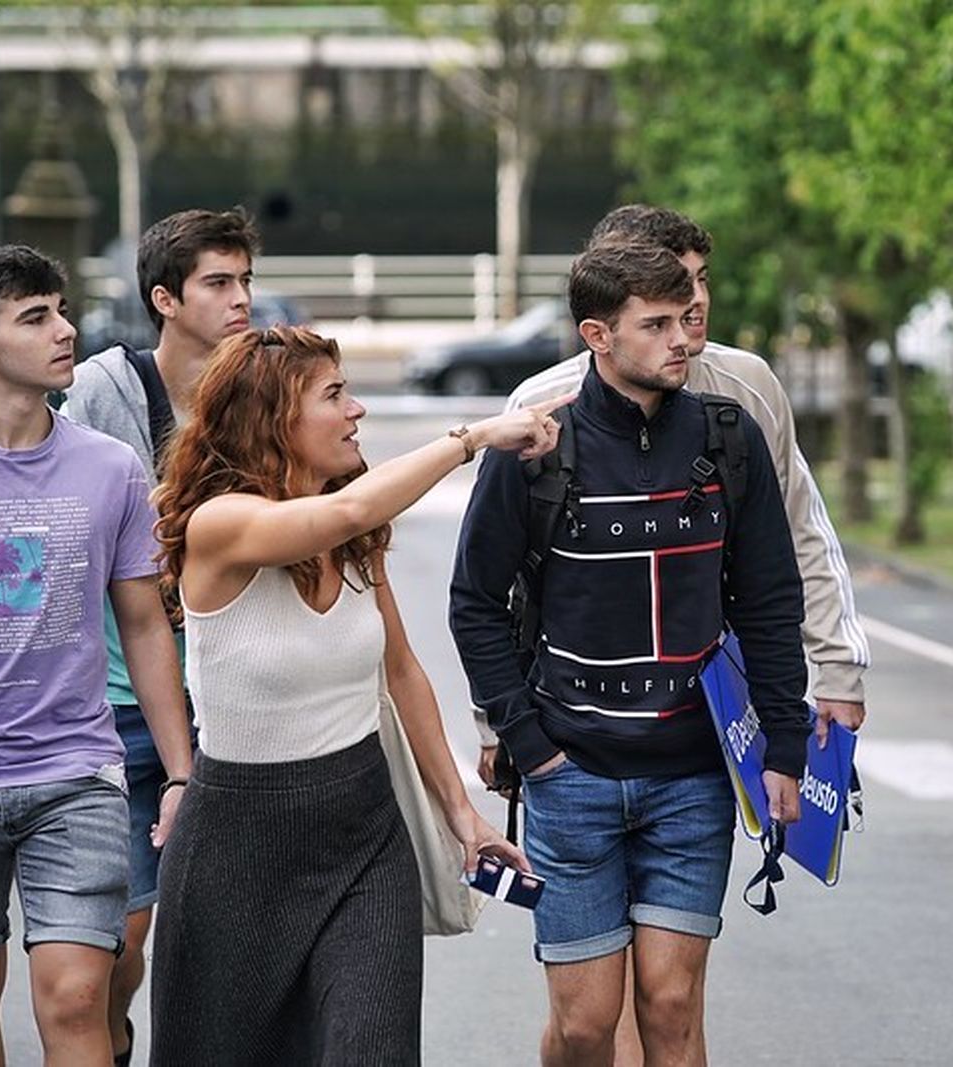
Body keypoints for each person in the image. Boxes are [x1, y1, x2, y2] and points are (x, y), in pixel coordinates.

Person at [494, 203, 871, 1067]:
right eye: (670, 293)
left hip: (697, 723)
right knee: (591, 1019)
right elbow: (503, 588)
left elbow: (797, 542)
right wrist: (506, 733)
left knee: (671, 1003)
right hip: (573, 730)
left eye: (699, 283)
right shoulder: (541, 411)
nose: (692, 309)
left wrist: (831, 678)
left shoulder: (745, 392)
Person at [148, 325, 561, 1065]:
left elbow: (401, 671)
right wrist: (471, 438)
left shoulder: (354, 534)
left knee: (372, 1048)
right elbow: (340, 515)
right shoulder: (220, 524)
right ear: (273, 416)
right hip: (236, 847)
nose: (357, 411)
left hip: (363, 834)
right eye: (334, 395)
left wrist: (462, 815)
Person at [0, 244, 194, 1065]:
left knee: (79, 992)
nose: (67, 330)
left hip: (77, 773)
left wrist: (181, 771)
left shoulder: (112, 468)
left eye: (60, 308)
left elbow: (146, 625)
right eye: (37, 317)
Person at [60, 206, 259, 1066]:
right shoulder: (106, 388)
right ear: (165, 298)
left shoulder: (260, 387)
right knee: (121, 941)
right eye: (220, 282)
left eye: (246, 280)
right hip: (120, 703)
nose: (242, 300)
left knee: (222, 938)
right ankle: (108, 1039)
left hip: (235, 701)